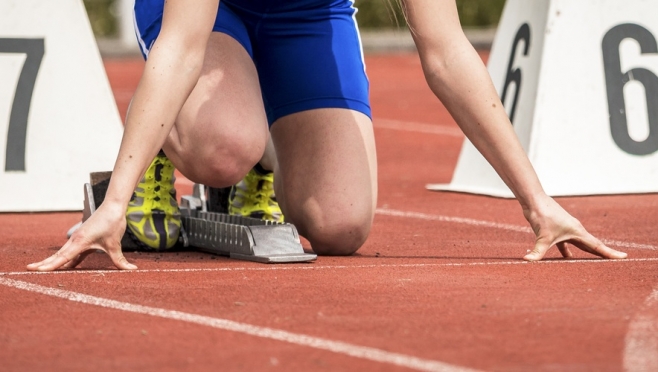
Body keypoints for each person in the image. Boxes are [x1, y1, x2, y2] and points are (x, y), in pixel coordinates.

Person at [27, 0, 626, 272]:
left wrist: (538, 203)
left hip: (306, 17)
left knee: (340, 224)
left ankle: (257, 142)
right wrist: (113, 202)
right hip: (205, 17)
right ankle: (164, 148)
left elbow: (446, 54)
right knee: (221, 146)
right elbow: (183, 47)